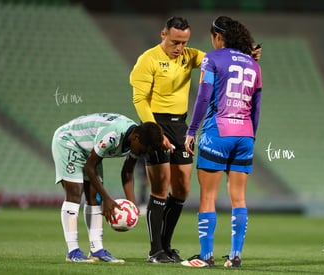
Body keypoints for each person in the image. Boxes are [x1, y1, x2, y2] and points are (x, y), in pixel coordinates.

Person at [129, 16, 261, 264]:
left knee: (182, 190)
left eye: (184, 42)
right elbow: (139, 100)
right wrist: (156, 132)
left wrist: (247, 56)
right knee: (160, 188)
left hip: (180, 125)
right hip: (155, 124)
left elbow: (222, 61)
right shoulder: (147, 60)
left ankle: (167, 246)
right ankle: (155, 251)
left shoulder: (190, 55)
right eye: (175, 42)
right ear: (163, 35)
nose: (180, 48)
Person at [181, 16, 262, 268]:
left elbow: (203, 98)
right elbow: (256, 107)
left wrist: (192, 130)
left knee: (208, 197)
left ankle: (206, 257)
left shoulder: (212, 58)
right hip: (245, 135)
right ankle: (236, 255)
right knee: (239, 198)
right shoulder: (253, 64)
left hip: (218, 132)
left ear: (218, 37)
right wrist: (251, 135)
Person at [51, 113, 163, 263]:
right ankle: (73, 252)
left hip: (89, 151)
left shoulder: (137, 141)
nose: (142, 154)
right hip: (69, 141)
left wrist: (132, 204)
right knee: (75, 193)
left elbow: (128, 171)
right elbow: (90, 167)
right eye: (142, 150)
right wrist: (107, 199)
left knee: (94, 197)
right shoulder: (113, 134)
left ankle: (97, 250)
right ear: (135, 137)